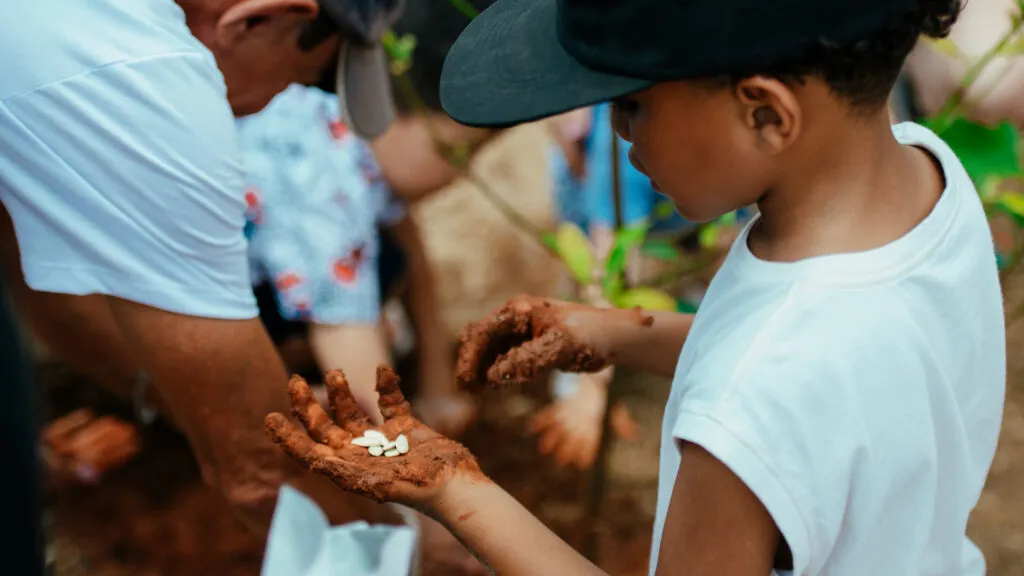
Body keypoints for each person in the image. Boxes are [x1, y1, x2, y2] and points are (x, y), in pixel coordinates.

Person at [264, 0, 1007, 574]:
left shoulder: (748, 401)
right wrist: (618, 332)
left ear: (766, 113)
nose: (617, 134)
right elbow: (839, 387)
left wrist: (455, 488)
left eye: (631, 104)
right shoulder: (924, 175)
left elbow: (774, 388)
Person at [0, 1, 486, 570]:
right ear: (255, 21)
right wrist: (408, 525)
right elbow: (255, 474)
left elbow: (26, 269)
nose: (287, 102)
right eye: (298, 77)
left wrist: (177, 395)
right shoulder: (150, 83)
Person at [237, 81, 477, 438]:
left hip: (279, 296)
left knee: (386, 259)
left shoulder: (348, 130)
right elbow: (343, 332)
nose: (456, 175)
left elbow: (412, 254)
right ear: (395, 115)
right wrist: (400, 450)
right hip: (198, 330)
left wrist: (438, 382)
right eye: (452, 151)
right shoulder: (314, 165)